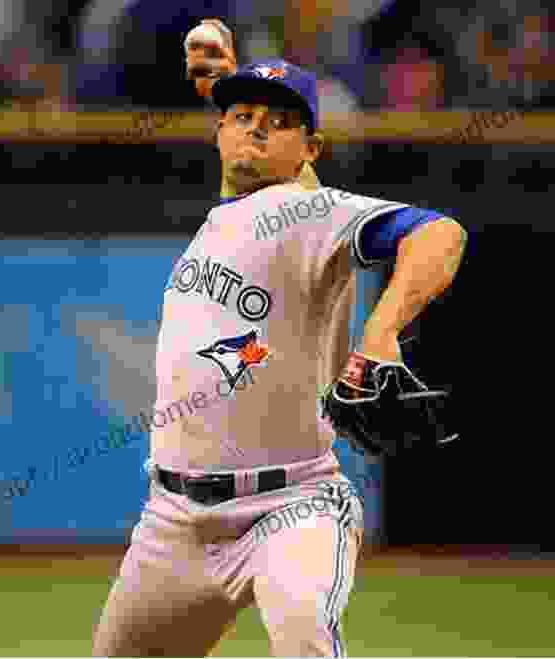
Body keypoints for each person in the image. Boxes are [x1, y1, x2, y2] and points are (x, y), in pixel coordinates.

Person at [92, 19, 467, 658]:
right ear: (217, 132)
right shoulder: (223, 221)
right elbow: (246, 179)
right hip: (175, 522)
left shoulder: (312, 211)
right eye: (242, 115)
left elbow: (440, 233)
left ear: (312, 149)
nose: (257, 127)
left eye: (280, 120)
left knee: (305, 645)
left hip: (292, 507)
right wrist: (230, 77)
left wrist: (381, 329)